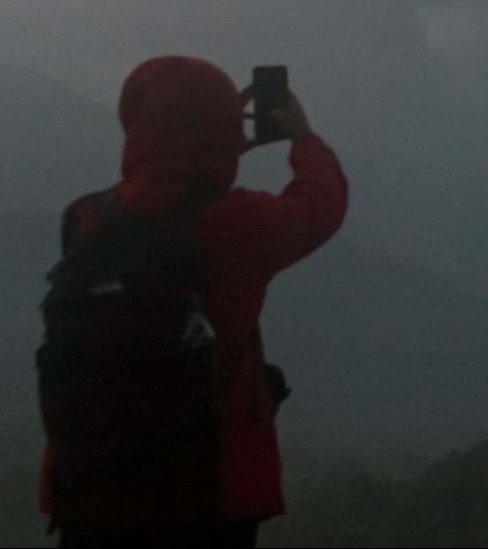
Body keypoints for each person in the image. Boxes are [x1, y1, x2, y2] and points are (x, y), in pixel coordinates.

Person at [38, 56, 349, 547]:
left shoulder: (86, 218)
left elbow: (162, 192)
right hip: (206, 498)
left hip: (91, 493)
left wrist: (214, 148)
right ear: (225, 128)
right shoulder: (238, 225)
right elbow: (321, 207)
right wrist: (302, 138)